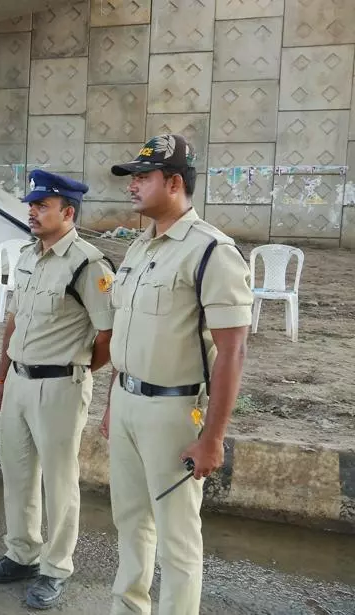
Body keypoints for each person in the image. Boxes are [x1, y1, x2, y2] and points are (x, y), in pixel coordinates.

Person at [103, 134, 252, 614]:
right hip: (126, 402)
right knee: (130, 521)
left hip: (173, 411)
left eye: (142, 177)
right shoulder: (140, 248)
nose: (132, 186)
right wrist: (111, 402)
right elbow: (127, 333)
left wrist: (213, 438)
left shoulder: (211, 251)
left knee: (177, 537)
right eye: (132, 178)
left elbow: (232, 351)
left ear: (173, 183)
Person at [0, 170, 114, 609]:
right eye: (31, 205)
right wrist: (1, 379)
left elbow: (109, 334)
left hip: (60, 387)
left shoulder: (88, 265)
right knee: (17, 475)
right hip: (18, 381)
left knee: (59, 482)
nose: (32, 212)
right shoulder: (27, 257)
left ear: (68, 213)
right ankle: (22, 554)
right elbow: (15, 321)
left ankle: (56, 569)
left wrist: (78, 368)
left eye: (42, 206)